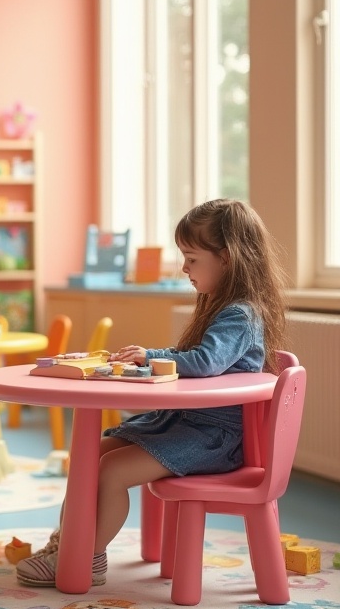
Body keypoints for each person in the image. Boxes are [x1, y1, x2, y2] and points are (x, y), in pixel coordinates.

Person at [16, 198, 288, 588]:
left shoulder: (241, 313)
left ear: (226, 259)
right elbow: (199, 360)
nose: (184, 268)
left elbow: (206, 361)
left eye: (192, 259)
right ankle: (67, 543)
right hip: (188, 425)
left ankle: (85, 557)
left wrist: (152, 356)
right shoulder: (222, 306)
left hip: (215, 437)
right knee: (92, 453)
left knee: (111, 472)